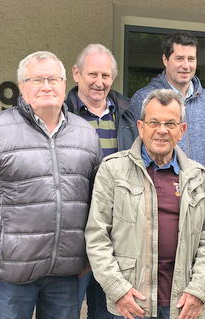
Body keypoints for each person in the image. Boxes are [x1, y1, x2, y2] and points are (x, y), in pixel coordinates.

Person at [0, 51, 102, 319]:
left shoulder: (86, 134)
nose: (47, 86)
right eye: (37, 79)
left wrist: (89, 256)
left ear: (64, 83)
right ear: (22, 86)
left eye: (53, 79)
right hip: (12, 271)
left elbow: (96, 201)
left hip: (67, 272)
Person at [85, 89, 205, 319]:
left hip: (182, 304)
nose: (161, 130)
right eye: (154, 122)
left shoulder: (198, 176)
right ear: (141, 127)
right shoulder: (112, 170)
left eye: (170, 123)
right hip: (131, 303)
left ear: (181, 130)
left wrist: (200, 291)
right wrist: (119, 291)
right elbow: (97, 237)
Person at [65, 43, 138, 318]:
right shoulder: (60, 114)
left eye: (105, 76)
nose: (99, 82)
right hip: (74, 226)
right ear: (76, 74)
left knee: (110, 308)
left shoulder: (129, 114)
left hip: (117, 225)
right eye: (92, 74)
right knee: (66, 307)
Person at [125, 32, 205, 175]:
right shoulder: (143, 99)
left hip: (199, 192)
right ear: (165, 60)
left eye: (191, 59)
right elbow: (132, 150)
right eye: (179, 58)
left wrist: (204, 183)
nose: (186, 65)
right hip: (158, 189)